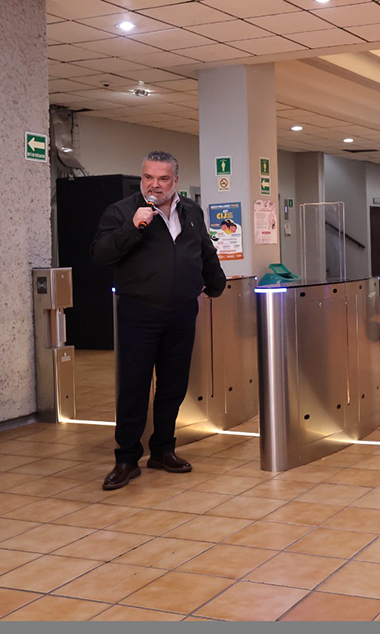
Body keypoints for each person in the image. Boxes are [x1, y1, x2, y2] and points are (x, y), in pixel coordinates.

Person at [92, 151, 226, 490]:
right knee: (134, 386)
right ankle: (126, 459)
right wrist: (133, 226)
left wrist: (216, 283)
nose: (155, 184)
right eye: (149, 177)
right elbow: (101, 254)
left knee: (173, 386)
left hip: (182, 312)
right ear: (142, 178)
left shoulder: (191, 211)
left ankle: (163, 450)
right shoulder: (122, 211)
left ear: (175, 181)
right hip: (139, 313)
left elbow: (204, 250)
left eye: (163, 178)